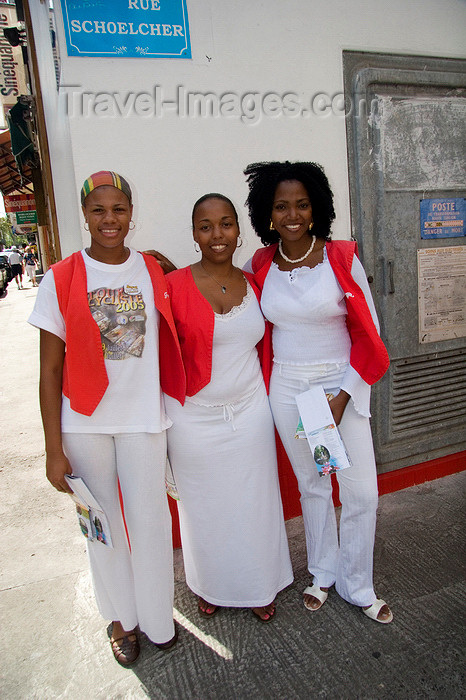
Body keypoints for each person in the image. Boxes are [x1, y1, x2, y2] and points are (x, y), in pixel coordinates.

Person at [28, 171, 185, 666]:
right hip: (84, 421)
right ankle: (120, 619)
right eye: (98, 210)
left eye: (118, 209)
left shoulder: (154, 270)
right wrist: (54, 449)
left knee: (152, 523)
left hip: (143, 418)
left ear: (131, 214)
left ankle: (158, 619)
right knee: (101, 523)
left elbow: (185, 325)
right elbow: (50, 369)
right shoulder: (62, 277)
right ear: (85, 215)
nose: (109, 219)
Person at [243, 161, 393, 624]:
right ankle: (324, 573)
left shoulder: (342, 258)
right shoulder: (260, 264)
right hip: (288, 387)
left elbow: (370, 335)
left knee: (360, 491)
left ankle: (358, 584)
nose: (292, 214)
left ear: (316, 209)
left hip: (341, 384)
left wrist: (343, 396)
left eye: (302, 205)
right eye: (281, 206)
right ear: (268, 213)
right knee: (312, 485)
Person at [163, 193, 293, 622]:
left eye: (225, 224)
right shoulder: (174, 286)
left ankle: (259, 585)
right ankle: (211, 585)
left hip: (250, 410)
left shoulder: (256, 280)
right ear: (195, 234)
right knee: (203, 509)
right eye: (206, 226)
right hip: (193, 418)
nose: (216, 234)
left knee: (255, 503)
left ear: (238, 231)